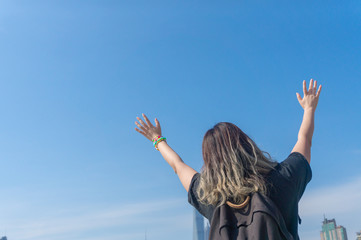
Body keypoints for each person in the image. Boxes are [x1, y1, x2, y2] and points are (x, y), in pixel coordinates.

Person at [134, 79, 322, 240]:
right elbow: (304, 140)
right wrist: (309, 109)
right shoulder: (283, 179)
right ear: (247, 145)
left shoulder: (210, 197)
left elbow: (178, 166)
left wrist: (157, 140)